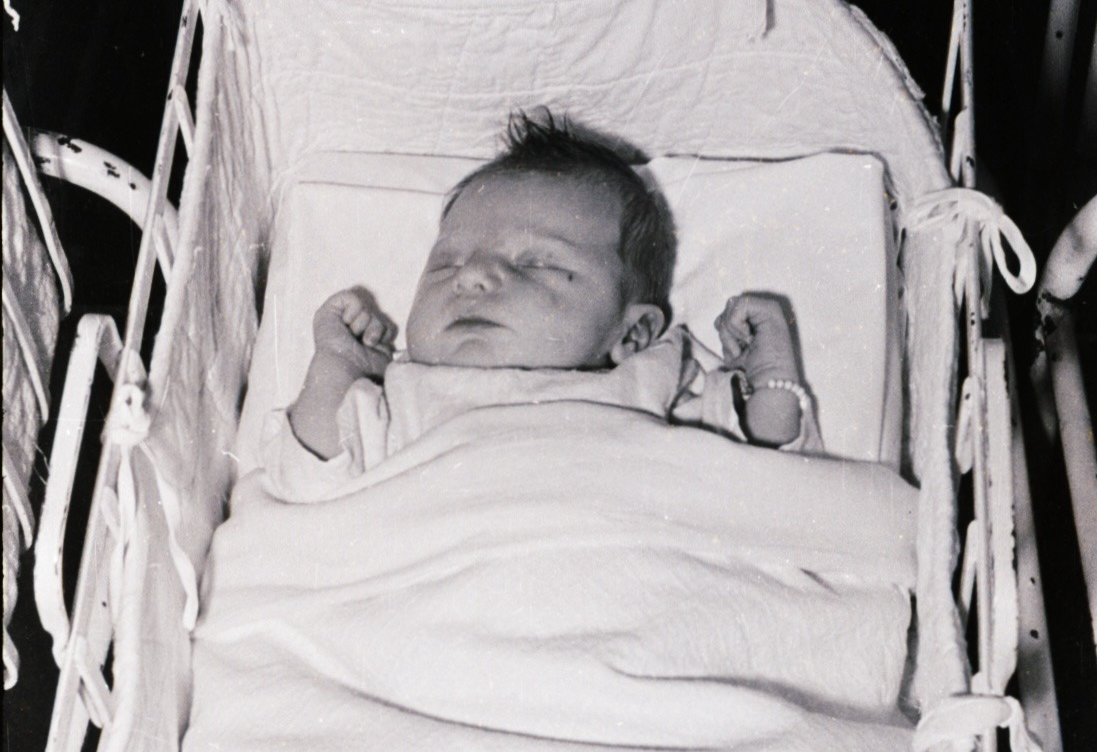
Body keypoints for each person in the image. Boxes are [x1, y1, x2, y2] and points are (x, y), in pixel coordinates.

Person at [281, 111, 816, 478]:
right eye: (447, 264)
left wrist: (771, 374)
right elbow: (308, 475)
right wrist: (337, 365)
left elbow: (764, 477)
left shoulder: (653, 385)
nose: (471, 279)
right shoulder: (400, 396)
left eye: (535, 263)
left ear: (633, 333)